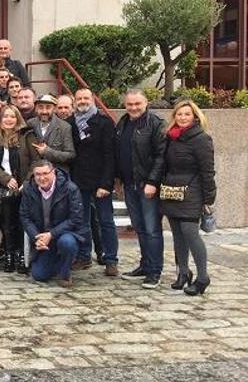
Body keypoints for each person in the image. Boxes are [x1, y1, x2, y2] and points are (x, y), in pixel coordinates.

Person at [160, 99, 216, 296]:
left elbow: (207, 171)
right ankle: (183, 273)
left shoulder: (202, 139)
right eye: (179, 114)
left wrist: (209, 199)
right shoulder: (171, 137)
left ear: (195, 117)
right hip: (171, 191)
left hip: (192, 193)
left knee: (190, 233)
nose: (182, 117)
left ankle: (203, 277)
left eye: (187, 114)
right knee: (177, 235)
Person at [116, 89, 166, 289]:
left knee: (152, 229)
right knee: (140, 228)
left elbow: (161, 155)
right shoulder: (123, 122)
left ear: (146, 103)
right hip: (130, 184)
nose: (133, 108)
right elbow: (120, 152)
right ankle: (145, 266)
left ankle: (155, 271)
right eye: (130, 104)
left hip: (147, 186)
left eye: (137, 104)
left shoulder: (155, 123)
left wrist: (153, 182)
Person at [0, 104, 41, 273]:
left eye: (12, 116)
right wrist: (5, 178)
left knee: (22, 222)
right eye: (5, 117)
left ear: (17, 119)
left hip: (25, 186)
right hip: (4, 187)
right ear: (0, 120)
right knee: (7, 222)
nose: (8, 120)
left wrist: (26, 181)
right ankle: (9, 253)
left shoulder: (27, 136)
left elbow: (36, 161)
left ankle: (21, 254)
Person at [70, 88, 119, 275]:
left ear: (93, 100)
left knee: (106, 221)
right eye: (79, 98)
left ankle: (111, 259)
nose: (82, 101)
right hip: (79, 180)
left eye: (86, 98)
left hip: (100, 180)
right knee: (81, 221)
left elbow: (109, 154)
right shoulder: (71, 123)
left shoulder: (104, 122)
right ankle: (84, 256)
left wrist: (106, 183)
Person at [19, 160, 83, 287]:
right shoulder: (28, 189)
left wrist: (51, 234)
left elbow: (76, 218)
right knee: (39, 275)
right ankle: (59, 260)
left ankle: (65, 273)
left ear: (53, 172)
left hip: (64, 234)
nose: (42, 178)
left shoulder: (70, 188)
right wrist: (36, 237)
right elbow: (25, 217)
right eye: (38, 174)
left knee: (67, 243)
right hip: (42, 237)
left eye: (45, 173)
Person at [27, 94, 75, 174]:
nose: (44, 111)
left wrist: (48, 152)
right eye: (40, 107)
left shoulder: (65, 127)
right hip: (34, 173)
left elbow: (70, 155)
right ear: (36, 108)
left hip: (57, 173)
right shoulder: (30, 124)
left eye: (48, 107)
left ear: (54, 109)